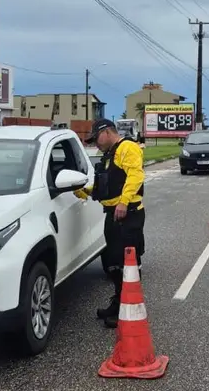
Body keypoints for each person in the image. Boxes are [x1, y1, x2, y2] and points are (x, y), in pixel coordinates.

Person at [74, 119, 146, 329]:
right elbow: (108, 184)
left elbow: (135, 175)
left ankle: (129, 310)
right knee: (113, 264)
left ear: (106, 132)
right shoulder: (110, 154)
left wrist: (124, 202)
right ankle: (119, 303)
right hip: (114, 214)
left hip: (128, 214)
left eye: (96, 138)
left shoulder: (127, 148)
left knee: (126, 265)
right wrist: (87, 192)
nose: (95, 143)